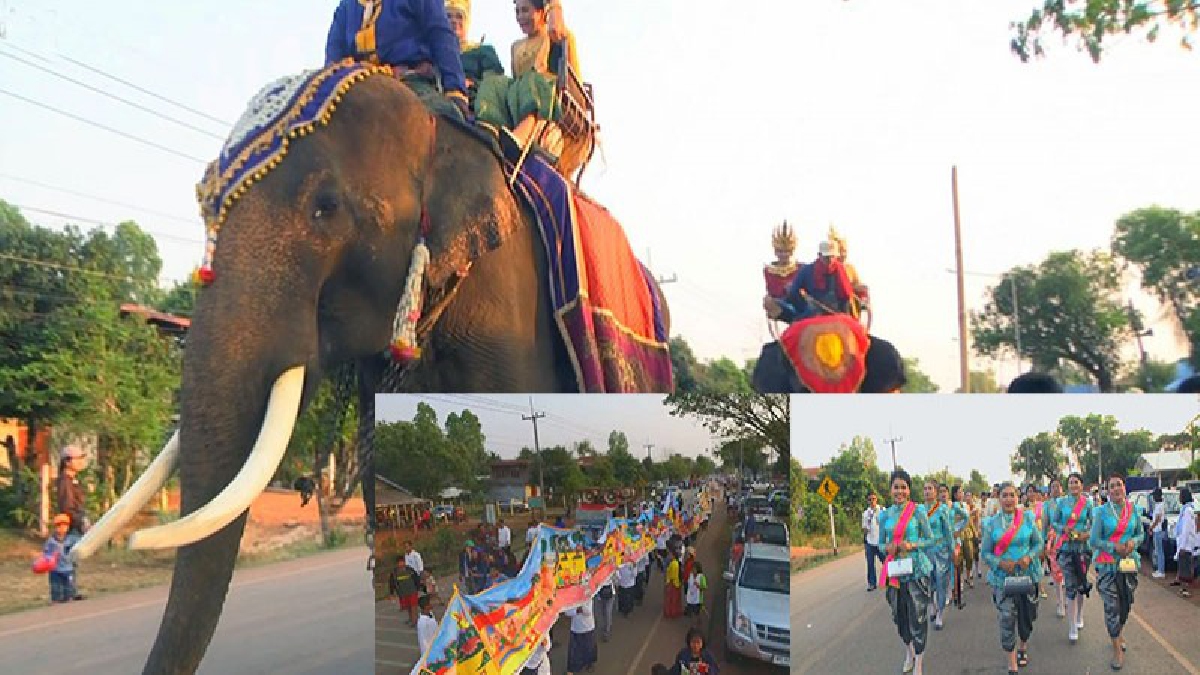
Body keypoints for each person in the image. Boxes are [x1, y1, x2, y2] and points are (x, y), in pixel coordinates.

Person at [323, 0, 470, 121]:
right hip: (358, 84)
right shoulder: (346, 7)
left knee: (448, 119)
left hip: (410, 80)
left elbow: (440, 34)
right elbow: (334, 54)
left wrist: (455, 90)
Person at [475, 0, 582, 157]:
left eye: (525, 11)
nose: (520, 17)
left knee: (532, 78)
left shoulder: (553, 36)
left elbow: (560, 36)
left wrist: (554, 9)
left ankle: (523, 132)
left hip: (547, 96)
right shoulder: (516, 46)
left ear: (541, 12)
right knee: (495, 82)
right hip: (522, 93)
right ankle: (490, 127)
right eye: (517, 12)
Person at [981, 482, 1044, 675]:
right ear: (999, 499)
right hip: (1003, 579)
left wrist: (1028, 557)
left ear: (1018, 498)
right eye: (1005, 495)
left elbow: (1038, 543)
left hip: (1027, 576)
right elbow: (985, 553)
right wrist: (999, 563)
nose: (1009, 499)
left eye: (1012, 495)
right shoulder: (991, 524)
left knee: (1027, 615)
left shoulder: (1027, 518)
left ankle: (1023, 646)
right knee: (1007, 618)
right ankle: (1012, 663)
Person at [878, 469, 935, 675]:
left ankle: (919, 661)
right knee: (899, 617)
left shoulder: (918, 512)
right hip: (894, 573)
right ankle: (909, 652)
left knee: (917, 617)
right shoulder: (884, 516)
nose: (899, 491)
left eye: (903, 487)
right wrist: (888, 548)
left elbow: (930, 539)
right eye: (896, 487)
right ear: (890, 489)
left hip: (916, 572)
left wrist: (911, 545)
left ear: (909, 490)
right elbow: (880, 543)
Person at [1089, 473, 1144, 671]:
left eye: (1119, 485)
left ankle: (1118, 632)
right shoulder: (1101, 513)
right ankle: (1116, 649)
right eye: (1112, 486)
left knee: (1125, 603)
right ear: (1107, 491)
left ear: (1124, 488)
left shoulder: (1134, 510)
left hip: (1129, 564)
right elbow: (1094, 541)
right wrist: (1114, 547)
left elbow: (1140, 534)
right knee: (1112, 606)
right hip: (1107, 565)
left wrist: (1132, 543)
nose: (1116, 489)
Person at [764, 239, 857, 323]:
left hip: (839, 315)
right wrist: (779, 302)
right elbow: (793, 293)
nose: (830, 260)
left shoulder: (843, 271)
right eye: (826, 257)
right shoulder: (807, 270)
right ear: (819, 255)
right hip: (812, 313)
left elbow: (847, 295)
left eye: (832, 257)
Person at [1052, 471, 1093, 643]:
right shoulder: (1061, 503)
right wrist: (1063, 529)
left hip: (1083, 549)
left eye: (1076, 482)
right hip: (1067, 549)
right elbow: (1054, 522)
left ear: (1081, 485)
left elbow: (1094, 523)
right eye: (1070, 482)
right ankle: (1072, 626)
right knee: (1070, 585)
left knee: (1081, 584)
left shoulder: (1088, 503)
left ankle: (1079, 615)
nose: (1073, 485)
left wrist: (1087, 534)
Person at [444, 0, 503, 101]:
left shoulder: (483, 51)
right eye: (448, 16)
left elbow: (494, 84)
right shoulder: (435, 54)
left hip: (475, 102)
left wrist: (472, 84)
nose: (453, 20)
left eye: (459, 16)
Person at [923, 480, 953, 630]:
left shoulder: (942, 509)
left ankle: (940, 613)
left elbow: (948, 532)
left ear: (935, 492)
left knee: (941, 583)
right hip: (925, 551)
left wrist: (952, 550)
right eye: (925, 489)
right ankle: (933, 606)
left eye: (930, 489)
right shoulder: (920, 510)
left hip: (941, 551)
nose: (927, 491)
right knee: (927, 583)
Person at [43, 513, 82, 603]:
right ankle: (55, 601)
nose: (61, 528)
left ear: (68, 527)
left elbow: (81, 545)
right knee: (55, 588)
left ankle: (69, 599)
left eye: (64, 525)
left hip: (68, 568)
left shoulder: (72, 539)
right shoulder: (51, 541)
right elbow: (46, 553)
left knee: (69, 588)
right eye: (58, 526)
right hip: (55, 570)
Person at [1044, 477, 1067, 618]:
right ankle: (1060, 603)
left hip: (1069, 540)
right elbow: (1046, 523)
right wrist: (1043, 542)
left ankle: (1068, 601)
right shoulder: (1047, 505)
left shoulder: (1067, 503)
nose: (1056, 489)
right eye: (1053, 487)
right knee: (1057, 574)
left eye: (1058, 486)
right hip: (1054, 541)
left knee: (1069, 573)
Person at [56, 445, 89, 536]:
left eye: (81, 458)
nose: (81, 462)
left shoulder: (73, 480)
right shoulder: (65, 481)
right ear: (67, 462)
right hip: (73, 529)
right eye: (77, 459)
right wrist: (81, 522)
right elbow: (67, 507)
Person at [764, 221, 801, 301]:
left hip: (798, 302)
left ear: (791, 251)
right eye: (780, 251)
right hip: (779, 304)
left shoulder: (801, 268)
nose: (783, 254)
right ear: (775, 252)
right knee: (767, 300)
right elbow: (773, 291)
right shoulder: (769, 270)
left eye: (786, 251)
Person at [948, 485, 970, 609]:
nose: (962, 494)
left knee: (956, 566)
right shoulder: (949, 505)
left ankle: (956, 594)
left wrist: (958, 529)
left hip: (956, 539)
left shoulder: (959, 506)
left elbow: (966, 518)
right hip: (946, 540)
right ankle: (953, 593)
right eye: (960, 492)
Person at [1173, 487, 1197, 598]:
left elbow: (1186, 530)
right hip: (1184, 541)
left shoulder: (1188, 510)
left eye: (1180, 495)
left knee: (1185, 566)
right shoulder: (1186, 509)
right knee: (1183, 565)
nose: (1179, 498)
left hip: (1186, 543)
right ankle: (1182, 586)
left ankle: (1185, 589)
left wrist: (1182, 547)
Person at [564, 600, 597, 675]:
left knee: (589, 648)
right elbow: (567, 612)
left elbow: (588, 611)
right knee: (574, 650)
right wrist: (578, 610)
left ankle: (589, 663)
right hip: (576, 628)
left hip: (588, 627)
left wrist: (577, 609)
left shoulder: (588, 596)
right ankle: (571, 669)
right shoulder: (572, 598)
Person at [863, 492, 886, 591]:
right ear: (868, 501)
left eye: (874, 499)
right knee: (870, 564)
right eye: (870, 499)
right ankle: (872, 583)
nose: (872, 501)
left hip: (881, 541)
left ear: (876, 499)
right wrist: (865, 529)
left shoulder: (882, 510)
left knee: (885, 561)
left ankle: (889, 579)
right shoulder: (866, 513)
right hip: (870, 541)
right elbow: (864, 528)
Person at [391, 557, 421, 626]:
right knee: (408, 607)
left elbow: (416, 578)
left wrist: (418, 587)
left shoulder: (410, 570)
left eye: (403, 562)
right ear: (397, 564)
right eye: (400, 562)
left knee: (414, 606)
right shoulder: (394, 573)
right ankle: (411, 619)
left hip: (412, 591)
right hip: (403, 593)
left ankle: (414, 621)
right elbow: (392, 583)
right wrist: (392, 593)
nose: (401, 564)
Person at [1149, 488, 1167, 579]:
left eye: (1154, 495)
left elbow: (1158, 519)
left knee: (1160, 551)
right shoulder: (1158, 505)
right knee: (1158, 550)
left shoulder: (1160, 505)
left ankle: (1161, 571)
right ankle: (1159, 569)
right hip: (1157, 530)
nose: (1153, 497)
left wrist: (1151, 528)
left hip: (1158, 530)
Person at [593, 575, 615, 642]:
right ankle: (601, 629)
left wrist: (614, 577)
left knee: (607, 613)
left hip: (609, 595)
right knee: (598, 614)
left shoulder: (611, 569)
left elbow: (617, 580)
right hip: (598, 595)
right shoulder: (597, 571)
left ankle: (606, 632)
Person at [664, 550, 684, 618]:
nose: (669, 556)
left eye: (670, 554)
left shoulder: (674, 564)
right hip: (675, 583)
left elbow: (673, 576)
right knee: (674, 599)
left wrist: (669, 583)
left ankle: (672, 612)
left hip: (672, 583)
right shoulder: (674, 563)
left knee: (671, 599)